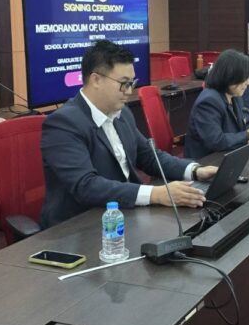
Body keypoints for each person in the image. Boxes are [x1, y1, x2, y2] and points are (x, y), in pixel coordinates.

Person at [39, 40, 218, 228]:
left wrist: (194, 170)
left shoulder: (122, 113)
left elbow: (149, 156)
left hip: (124, 213)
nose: (130, 91)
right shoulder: (63, 124)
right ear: (96, 80)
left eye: (132, 83)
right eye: (124, 84)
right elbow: (86, 186)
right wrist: (156, 194)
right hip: (80, 226)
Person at [184, 50, 249, 159]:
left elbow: (247, 123)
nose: (248, 83)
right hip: (206, 162)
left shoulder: (235, 96)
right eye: (245, 78)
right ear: (231, 77)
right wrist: (247, 135)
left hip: (229, 155)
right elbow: (216, 141)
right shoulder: (209, 101)